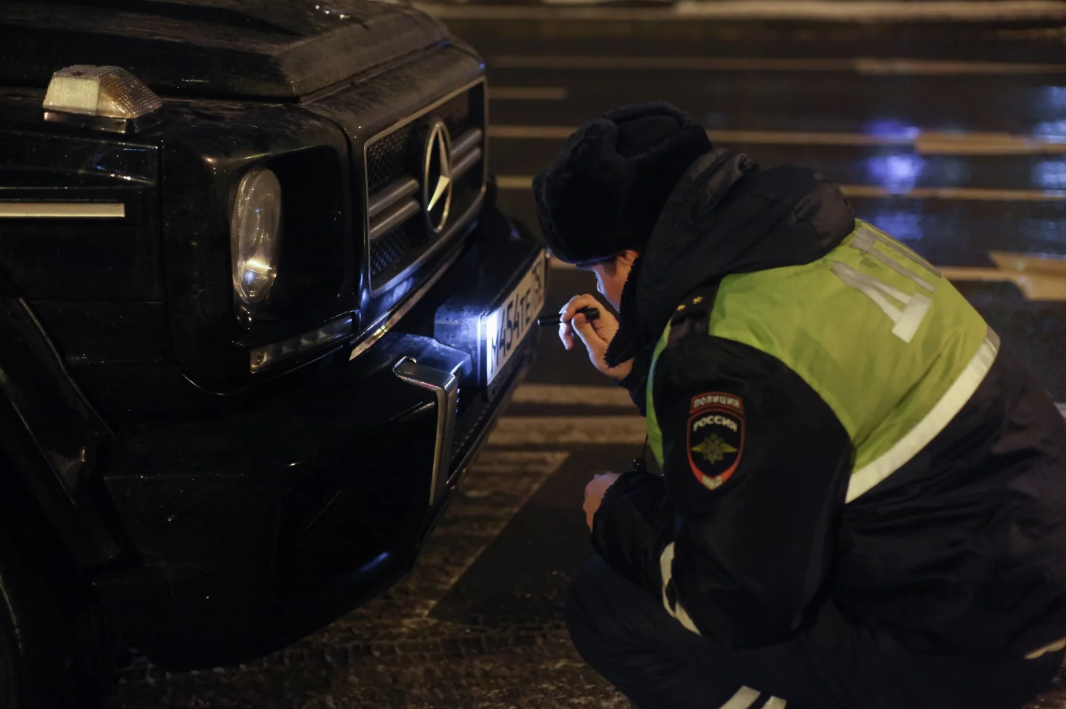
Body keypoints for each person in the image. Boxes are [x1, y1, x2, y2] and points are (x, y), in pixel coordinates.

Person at [534, 102, 1066, 709]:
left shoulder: (725, 352)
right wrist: (643, 372)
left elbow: (736, 598)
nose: (599, 289)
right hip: (1023, 590)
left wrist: (616, 512)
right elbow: (788, 427)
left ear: (627, 259)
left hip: (962, 650)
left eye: (595, 272)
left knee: (609, 603)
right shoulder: (814, 246)